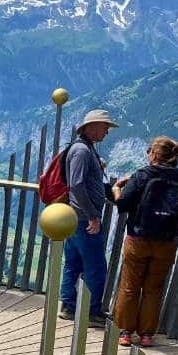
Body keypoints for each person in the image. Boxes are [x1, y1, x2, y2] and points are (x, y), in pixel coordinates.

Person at [111, 137, 178, 347]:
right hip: (167, 242)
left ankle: (125, 333)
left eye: (150, 151)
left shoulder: (142, 175)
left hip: (138, 239)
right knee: (153, 288)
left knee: (130, 286)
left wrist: (116, 188)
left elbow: (122, 205)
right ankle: (147, 335)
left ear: (154, 155)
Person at [59, 109, 118, 326]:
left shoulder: (84, 149)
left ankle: (68, 306)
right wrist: (93, 215)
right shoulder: (82, 151)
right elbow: (76, 184)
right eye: (105, 127)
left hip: (76, 217)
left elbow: (83, 182)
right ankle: (92, 312)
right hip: (84, 219)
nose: (107, 132)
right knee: (95, 266)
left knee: (73, 262)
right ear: (92, 127)